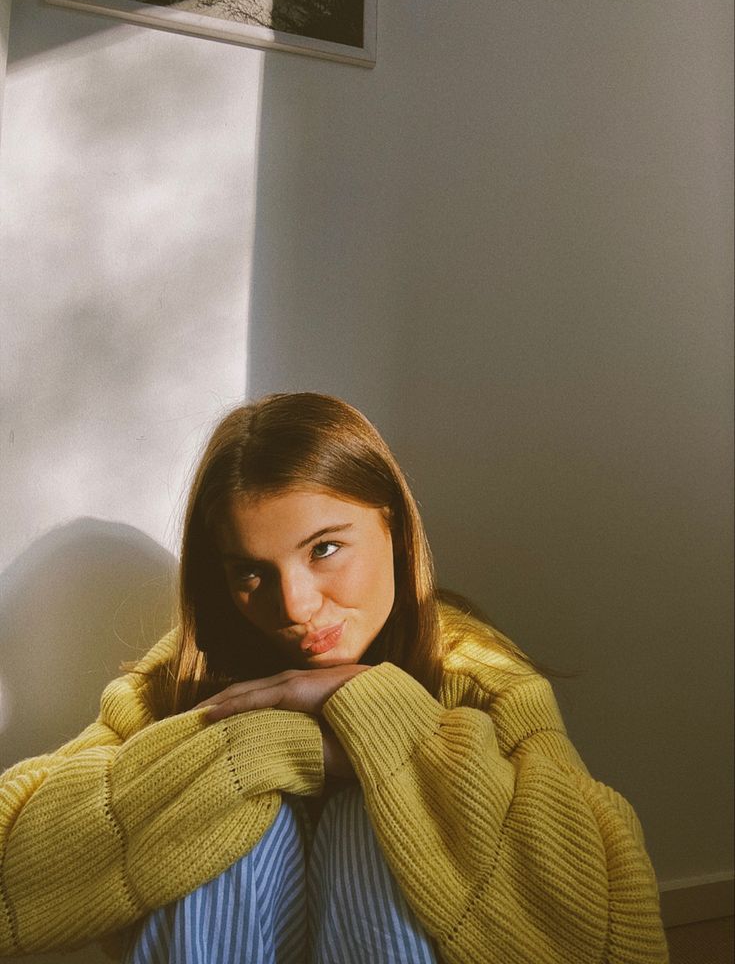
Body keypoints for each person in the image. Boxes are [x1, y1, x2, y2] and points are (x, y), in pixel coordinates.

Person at [0, 392, 668, 963]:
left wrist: (377, 725)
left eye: (324, 548)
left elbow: (599, 921)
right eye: (251, 572)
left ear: (393, 527)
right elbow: (17, 854)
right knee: (226, 828)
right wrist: (264, 748)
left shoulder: (475, 669)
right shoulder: (187, 672)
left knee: (374, 820)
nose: (292, 606)